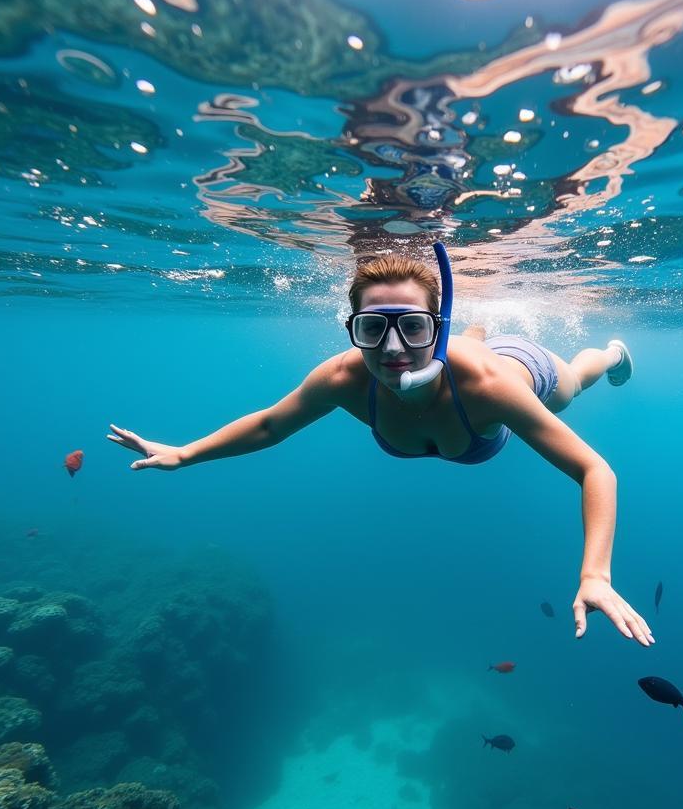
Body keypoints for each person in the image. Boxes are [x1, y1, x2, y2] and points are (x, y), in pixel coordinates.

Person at [108, 250, 653, 646]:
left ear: (434, 330)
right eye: (373, 328)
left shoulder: (491, 390)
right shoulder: (344, 377)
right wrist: (185, 453)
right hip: (461, 368)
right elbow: (271, 426)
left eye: (413, 328)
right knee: (470, 351)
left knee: (571, 387)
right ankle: (475, 329)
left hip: (518, 371)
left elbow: (593, 468)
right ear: (353, 329)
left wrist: (594, 576)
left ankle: (604, 353)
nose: (393, 350)